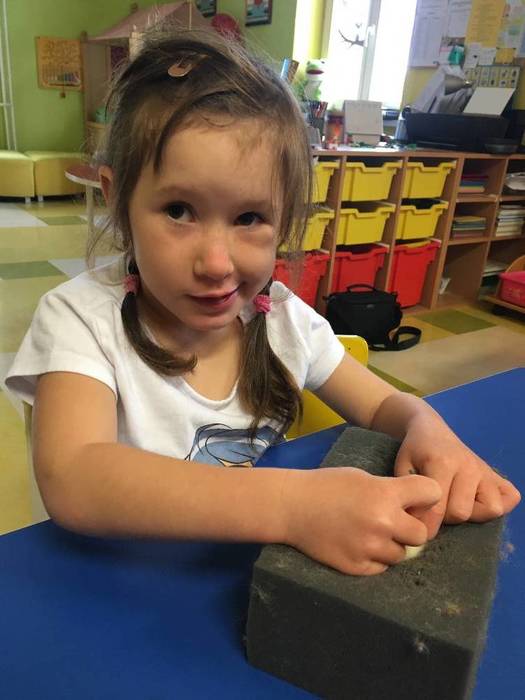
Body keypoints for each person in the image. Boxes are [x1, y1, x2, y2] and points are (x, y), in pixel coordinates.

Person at [6, 29, 520, 577]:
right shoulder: (80, 320)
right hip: (116, 586)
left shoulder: (282, 319)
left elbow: (380, 407)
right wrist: (294, 506)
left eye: (249, 218)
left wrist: (428, 428)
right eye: (178, 211)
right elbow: (75, 477)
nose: (216, 263)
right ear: (118, 199)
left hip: (240, 581)